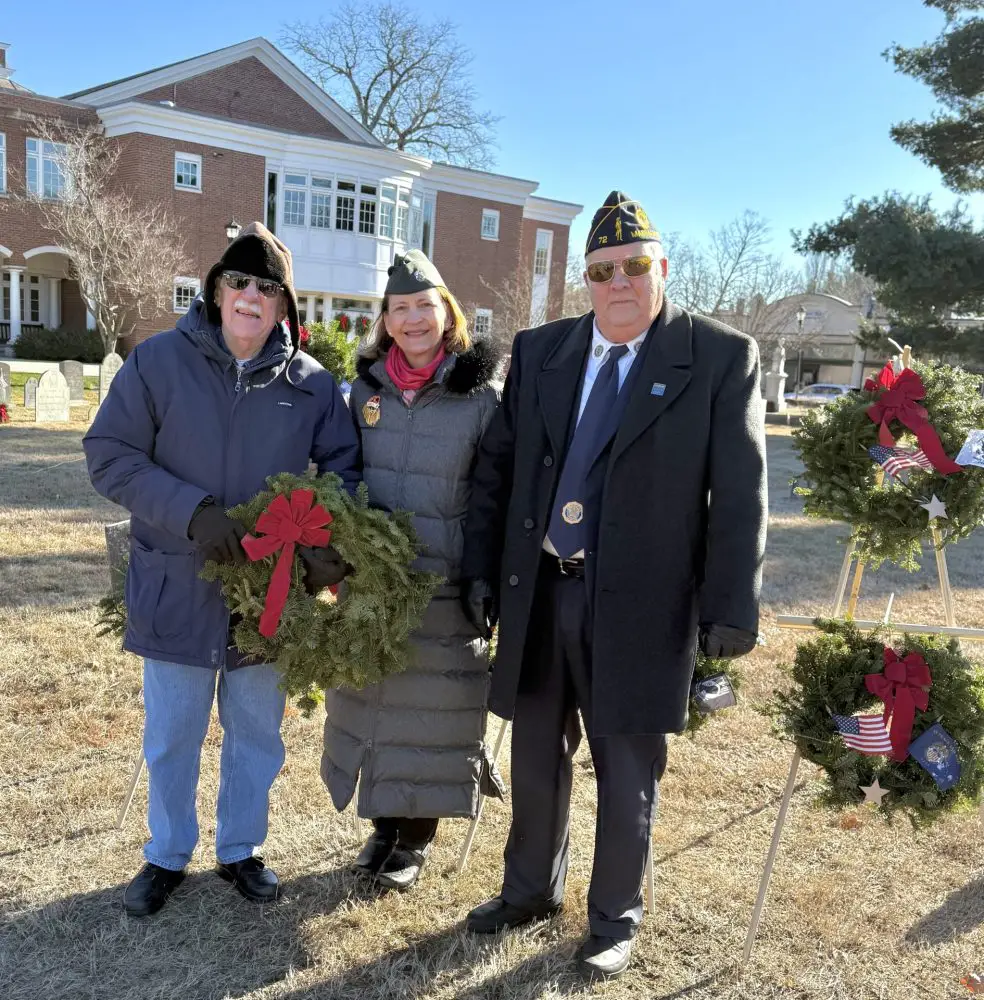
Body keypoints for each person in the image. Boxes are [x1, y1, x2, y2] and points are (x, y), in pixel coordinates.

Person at [459, 192, 767, 979]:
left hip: (644, 605)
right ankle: (527, 892)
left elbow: (740, 495)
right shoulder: (540, 351)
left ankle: (612, 920)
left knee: (628, 767)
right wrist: (484, 571)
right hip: (542, 590)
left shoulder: (718, 357)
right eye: (603, 271)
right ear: (585, 282)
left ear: (662, 269)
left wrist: (731, 608)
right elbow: (497, 470)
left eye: (636, 266)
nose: (620, 282)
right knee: (534, 756)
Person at [83, 223, 360, 917]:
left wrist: (329, 538)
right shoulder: (156, 363)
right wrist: (191, 511)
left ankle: (241, 850)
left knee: (257, 732)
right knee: (173, 731)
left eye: (268, 288)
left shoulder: (314, 386)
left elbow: (345, 471)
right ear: (214, 289)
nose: (250, 297)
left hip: (269, 593)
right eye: (238, 281)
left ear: (283, 306)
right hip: (178, 579)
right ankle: (166, 854)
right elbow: (109, 454)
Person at [321, 249, 504, 891]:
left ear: (445, 311)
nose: (412, 319)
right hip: (374, 582)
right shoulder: (363, 391)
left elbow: (494, 494)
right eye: (399, 308)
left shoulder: (482, 399)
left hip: (445, 582)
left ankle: (417, 839)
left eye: (424, 305)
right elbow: (340, 472)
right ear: (386, 321)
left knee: (433, 705)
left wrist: (484, 575)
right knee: (375, 702)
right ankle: (383, 825)